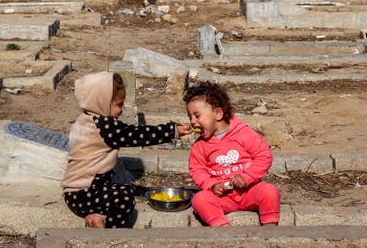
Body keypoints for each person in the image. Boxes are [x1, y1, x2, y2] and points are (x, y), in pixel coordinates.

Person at [62, 72, 192, 228]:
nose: (123, 108)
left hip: (74, 194)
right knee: (125, 196)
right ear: (101, 103)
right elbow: (138, 135)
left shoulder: (84, 120)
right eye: (119, 104)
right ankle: (103, 224)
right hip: (87, 193)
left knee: (120, 186)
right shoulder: (105, 126)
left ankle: (96, 216)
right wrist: (172, 131)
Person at [185, 82, 280, 227]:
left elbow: (263, 156)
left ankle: (270, 230)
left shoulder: (244, 134)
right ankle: (224, 229)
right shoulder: (200, 146)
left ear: (218, 113)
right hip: (222, 197)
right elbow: (197, 170)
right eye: (190, 117)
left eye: (197, 116)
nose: (192, 122)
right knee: (200, 199)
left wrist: (247, 177)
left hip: (249, 191)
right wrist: (211, 185)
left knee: (269, 191)